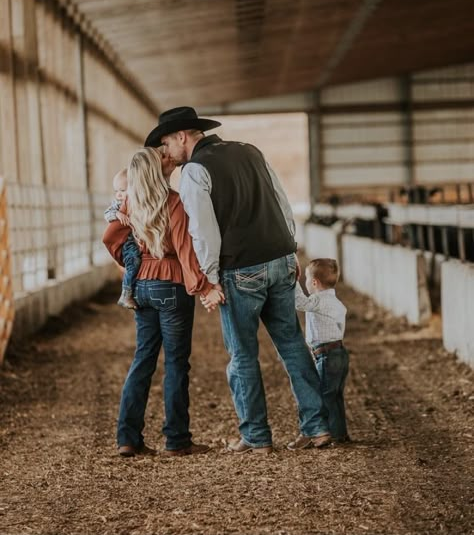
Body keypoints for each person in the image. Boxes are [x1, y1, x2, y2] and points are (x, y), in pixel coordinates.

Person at [144, 106, 331, 453]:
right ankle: (318, 427)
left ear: (182, 136)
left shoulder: (194, 171)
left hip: (240, 269)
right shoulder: (250, 151)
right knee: (291, 343)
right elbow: (281, 201)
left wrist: (209, 278)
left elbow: (203, 230)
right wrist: (291, 250)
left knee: (243, 354)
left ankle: (257, 435)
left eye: (167, 143)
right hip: (280, 259)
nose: (166, 151)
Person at [103, 147, 224, 458]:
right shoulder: (173, 203)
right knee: (175, 364)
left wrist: (132, 263)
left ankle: (128, 438)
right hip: (171, 285)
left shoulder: (128, 203)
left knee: (143, 359)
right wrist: (203, 286)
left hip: (139, 286)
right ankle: (177, 439)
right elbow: (185, 250)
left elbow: (110, 238)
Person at [295, 258, 350, 444]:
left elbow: (299, 303)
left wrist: (292, 281)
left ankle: (327, 434)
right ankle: (340, 434)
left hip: (327, 355)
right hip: (339, 353)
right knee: (335, 396)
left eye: (306, 280)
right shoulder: (337, 303)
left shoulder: (318, 300)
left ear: (314, 282)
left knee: (325, 396)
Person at [104, 168, 141, 310]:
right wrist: (118, 215)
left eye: (123, 190)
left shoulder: (135, 202)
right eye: (116, 191)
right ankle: (126, 294)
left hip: (135, 239)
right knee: (133, 263)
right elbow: (107, 214)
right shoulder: (118, 205)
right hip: (127, 242)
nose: (118, 194)